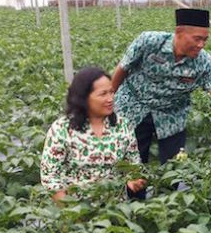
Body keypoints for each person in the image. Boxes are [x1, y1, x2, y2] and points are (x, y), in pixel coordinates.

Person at [112, 8, 211, 170]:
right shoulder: (149, 42)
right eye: (197, 39)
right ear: (179, 32)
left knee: (174, 170)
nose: (201, 45)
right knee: (132, 167)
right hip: (134, 108)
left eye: (205, 40)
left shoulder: (202, 62)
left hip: (171, 115)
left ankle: (170, 193)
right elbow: (122, 69)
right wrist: (106, 106)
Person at [41, 67, 146, 203]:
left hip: (115, 210)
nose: (110, 99)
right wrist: (71, 212)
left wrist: (133, 178)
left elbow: (133, 164)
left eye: (111, 92)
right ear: (83, 98)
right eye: (103, 94)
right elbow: (50, 177)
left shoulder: (122, 126)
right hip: (76, 210)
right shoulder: (62, 129)